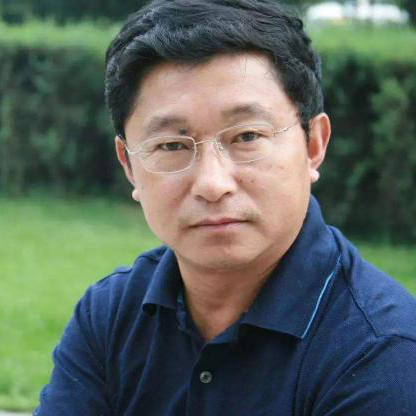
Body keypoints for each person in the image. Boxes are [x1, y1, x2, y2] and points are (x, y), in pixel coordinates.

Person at [35, 0, 416, 414]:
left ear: (313, 144)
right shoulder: (110, 315)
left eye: (247, 137)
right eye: (172, 145)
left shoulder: (380, 353)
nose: (212, 184)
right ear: (129, 165)